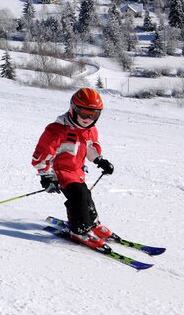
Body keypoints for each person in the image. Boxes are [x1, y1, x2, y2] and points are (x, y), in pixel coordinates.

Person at [31, 87, 116, 248]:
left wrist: (99, 160)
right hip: (60, 172)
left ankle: (92, 222)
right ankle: (79, 229)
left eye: (93, 115)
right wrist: (46, 176)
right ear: (73, 109)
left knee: (86, 195)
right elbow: (41, 155)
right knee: (78, 196)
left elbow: (90, 147)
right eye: (84, 113)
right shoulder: (57, 130)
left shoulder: (89, 130)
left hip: (77, 171)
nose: (88, 118)